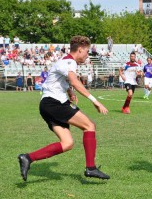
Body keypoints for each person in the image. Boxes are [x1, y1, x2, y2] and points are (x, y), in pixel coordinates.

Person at [17, 35, 110, 182]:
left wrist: (69, 91)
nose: (87, 56)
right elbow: (74, 80)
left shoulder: (64, 61)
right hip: (55, 104)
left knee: (67, 143)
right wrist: (95, 101)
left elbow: (58, 80)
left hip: (46, 105)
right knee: (89, 126)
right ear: (79, 50)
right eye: (86, 52)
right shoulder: (69, 62)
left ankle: (27, 158)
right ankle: (91, 168)